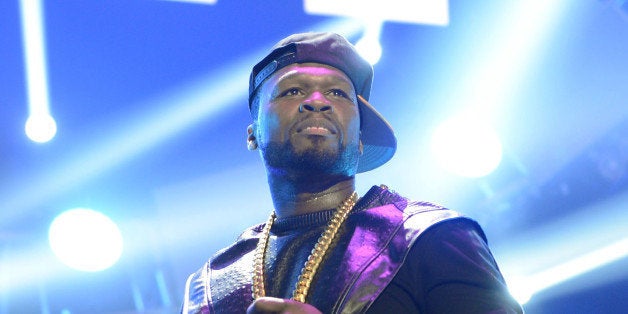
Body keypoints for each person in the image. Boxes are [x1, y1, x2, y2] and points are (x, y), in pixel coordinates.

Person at [181, 32, 523, 314]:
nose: (317, 101)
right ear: (253, 133)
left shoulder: (427, 237)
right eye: (292, 91)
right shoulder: (212, 282)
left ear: (360, 138)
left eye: (337, 93)